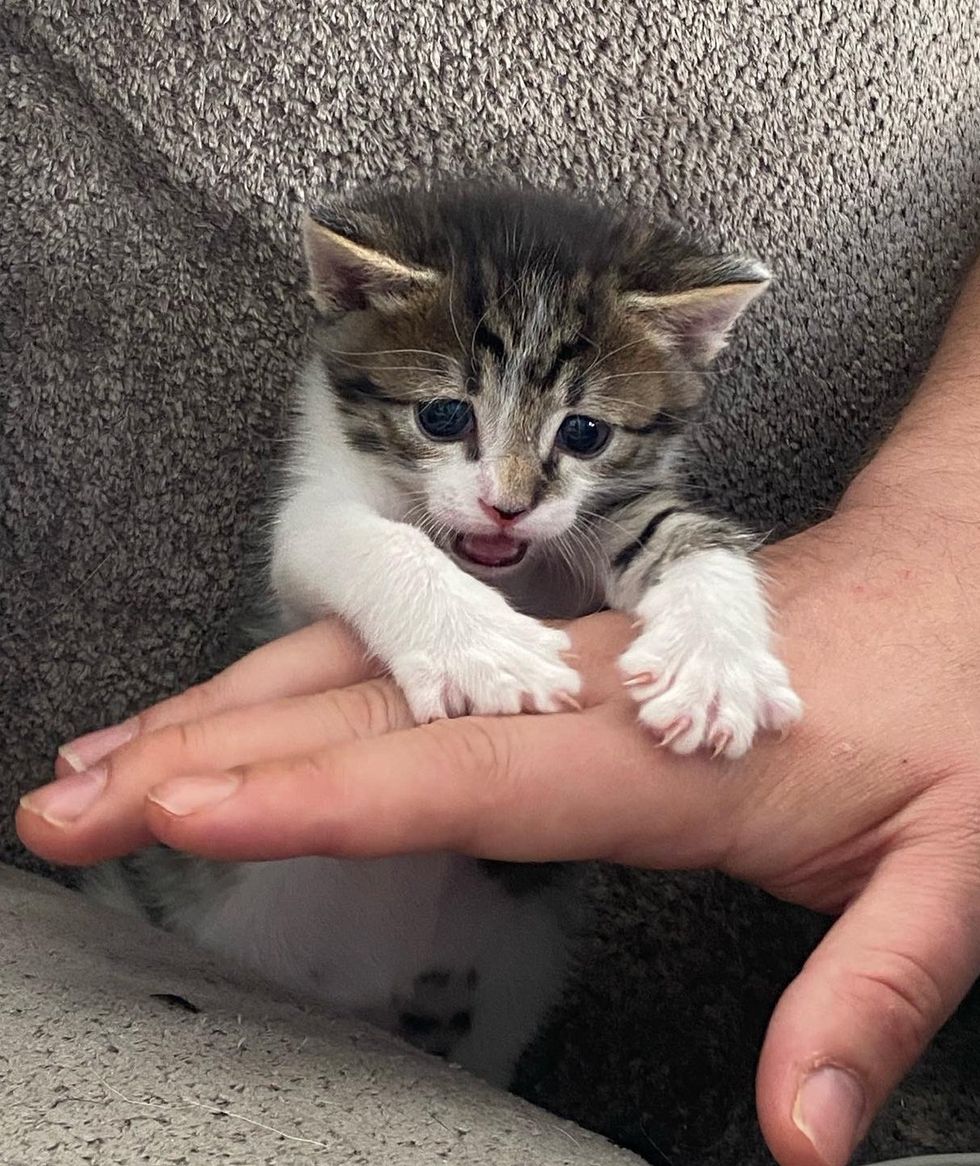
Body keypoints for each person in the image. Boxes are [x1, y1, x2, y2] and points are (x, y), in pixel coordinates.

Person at [18, 256, 980, 1166]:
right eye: (446, 417)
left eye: (582, 435)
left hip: (475, 966)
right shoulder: (358, 403)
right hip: (210, 939)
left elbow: (650, 532)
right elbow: (319, 539)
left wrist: (721, 622)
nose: (509, 499)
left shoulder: (600, 457)